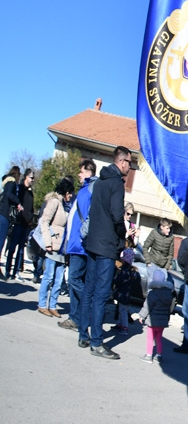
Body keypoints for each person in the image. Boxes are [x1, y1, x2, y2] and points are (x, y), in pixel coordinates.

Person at [81, 150, 131, 360]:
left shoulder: (100, 182)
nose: (130, 167)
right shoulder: (116, 184)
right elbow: (117, 215)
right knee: (101, 295)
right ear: (122, 162)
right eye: (129, 163)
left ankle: (83, 335)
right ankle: (97, 343)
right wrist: (122, 235)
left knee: (89, 290)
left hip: (93, 242)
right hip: (106, 245)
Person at [58, 160, 96, 334]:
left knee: (74, 279)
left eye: (81, 172)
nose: (79, 175)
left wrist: (82, 234)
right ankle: (75, 317)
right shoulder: (83, 189)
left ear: (89, 172)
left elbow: (91, 215)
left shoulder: (91, 189)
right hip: (74, 243)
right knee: (74, 282)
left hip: (81, 244)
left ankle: (90, 306)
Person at [36, 178, 73, 317]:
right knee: (48, 277)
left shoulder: (64, 205)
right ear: (66, 191)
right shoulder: (54, 202)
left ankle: (52, 306)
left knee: (58, 280)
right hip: (53, 246)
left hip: (62, 248)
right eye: (70, 193)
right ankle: (42, 304)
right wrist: (48, 243)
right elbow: (44, 221)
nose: (71, 196)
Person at [139, 266, 175, 364]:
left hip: (152, 321)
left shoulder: (152, 294)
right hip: (162, 322)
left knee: (150, 338)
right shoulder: (168, 294)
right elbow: (168, 309)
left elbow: (147, 307)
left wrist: (142, 316)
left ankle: (148, 355)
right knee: (159, 338)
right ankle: (159, 355)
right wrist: (167, 319)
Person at [5, 169, 35, 279]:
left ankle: (16, 271)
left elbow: (30, 209)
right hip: (18, 222)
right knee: (12, 248)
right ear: (26, 177)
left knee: (21, 250)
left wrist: (30, 220)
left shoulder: (30, 193)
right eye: (31, 177)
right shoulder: (19, 189)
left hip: (26, 224)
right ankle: (8, 270)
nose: (33, 180)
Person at [112, 248, 144, 334]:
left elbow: (118, 280)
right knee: (121, 309)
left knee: (123, 310)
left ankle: (124, 327)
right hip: (126, 294)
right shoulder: (131, 271)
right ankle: (119, 324)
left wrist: (115, 276)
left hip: (122, 294)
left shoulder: (124, 271)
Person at [0, 166, 20, 267]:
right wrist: (18, 202)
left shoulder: (5, 184)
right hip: (4, 215)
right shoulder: (12, 183)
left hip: (1, 213)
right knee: (1, 241)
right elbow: (9, 194)